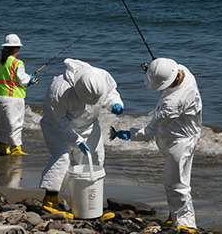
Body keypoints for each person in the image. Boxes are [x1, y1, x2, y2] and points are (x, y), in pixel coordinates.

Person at [111, 57, 201, 233]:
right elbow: (167, 70)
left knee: (177, 184)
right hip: (177, 134)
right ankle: (175, 215)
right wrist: (155, 67)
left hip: (181, 141)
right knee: (171, 181)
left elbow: (150, 131)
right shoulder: (184, 71)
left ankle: (187, 224)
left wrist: (130, 134)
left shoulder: (172, 103)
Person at [39, 58, 123, 219]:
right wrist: (77, 140)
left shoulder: (101, 76)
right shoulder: (60, 89)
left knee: (96, 160)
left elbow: (111, 92)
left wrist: (114, 104)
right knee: (62, 158)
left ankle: (91, 205)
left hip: (89, 125)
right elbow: (58, 122)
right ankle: (49, 201)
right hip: (58, 126)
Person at [0, 34, 38, 155]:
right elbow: (22, 80)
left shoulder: (1, 61)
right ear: (16, 48)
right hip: (13, 100)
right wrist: (30, 79)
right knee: (16, 126)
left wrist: (27, 81)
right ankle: (16, 150)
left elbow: (11, 80)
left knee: (3, 127)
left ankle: (4, 149)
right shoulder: (17, 63)